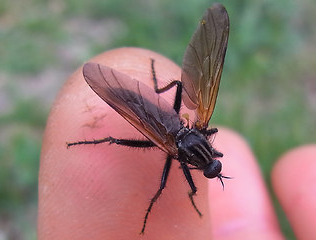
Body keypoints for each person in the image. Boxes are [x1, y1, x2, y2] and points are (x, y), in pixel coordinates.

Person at [38, 48, 316, 240]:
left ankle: (151, 91)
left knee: (174, 94)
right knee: (144, 166)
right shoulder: (179, 154)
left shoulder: (201, 130)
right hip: (167, 134)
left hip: (178, 127)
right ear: (211, 153)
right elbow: (180, 183)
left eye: (212, 164)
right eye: (214, 162)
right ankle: (104, 138)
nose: (213, 163)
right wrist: (171, 204)